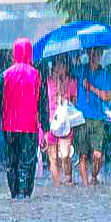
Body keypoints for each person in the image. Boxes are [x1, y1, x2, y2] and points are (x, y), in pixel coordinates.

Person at [1, 38, 40, 198]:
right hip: (30, 126)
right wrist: (44, 126)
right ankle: (24, 193)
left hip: (9, 126)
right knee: (28, 162)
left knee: (12, 162)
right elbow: (42, 103)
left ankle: (14, 192)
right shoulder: (36, 75)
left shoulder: (4, 75)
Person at [74, 46, 111, 186]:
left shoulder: (104, 73)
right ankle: (86, 185)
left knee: (97, 154)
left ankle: (94, 177)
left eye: (98, 53)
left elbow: (107, 97)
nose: (95, 56)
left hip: (98, 119)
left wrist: (91, 88)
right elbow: (71, 67)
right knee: (83, 155)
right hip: (82, 119)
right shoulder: (81, 70)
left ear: (101, 54)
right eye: (92, 53)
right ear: (88, 53)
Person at [42, 57, 78, 185]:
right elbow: (43, 102)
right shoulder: (48, 81)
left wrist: (63, 94)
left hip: (66, 123)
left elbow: (74, 101)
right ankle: (57, 185)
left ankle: (68, 179)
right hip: (51, 122)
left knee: (65, 154)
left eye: (62, 65)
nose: (59, 68)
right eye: (57, 65)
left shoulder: (72, 81)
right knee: (53, 157)